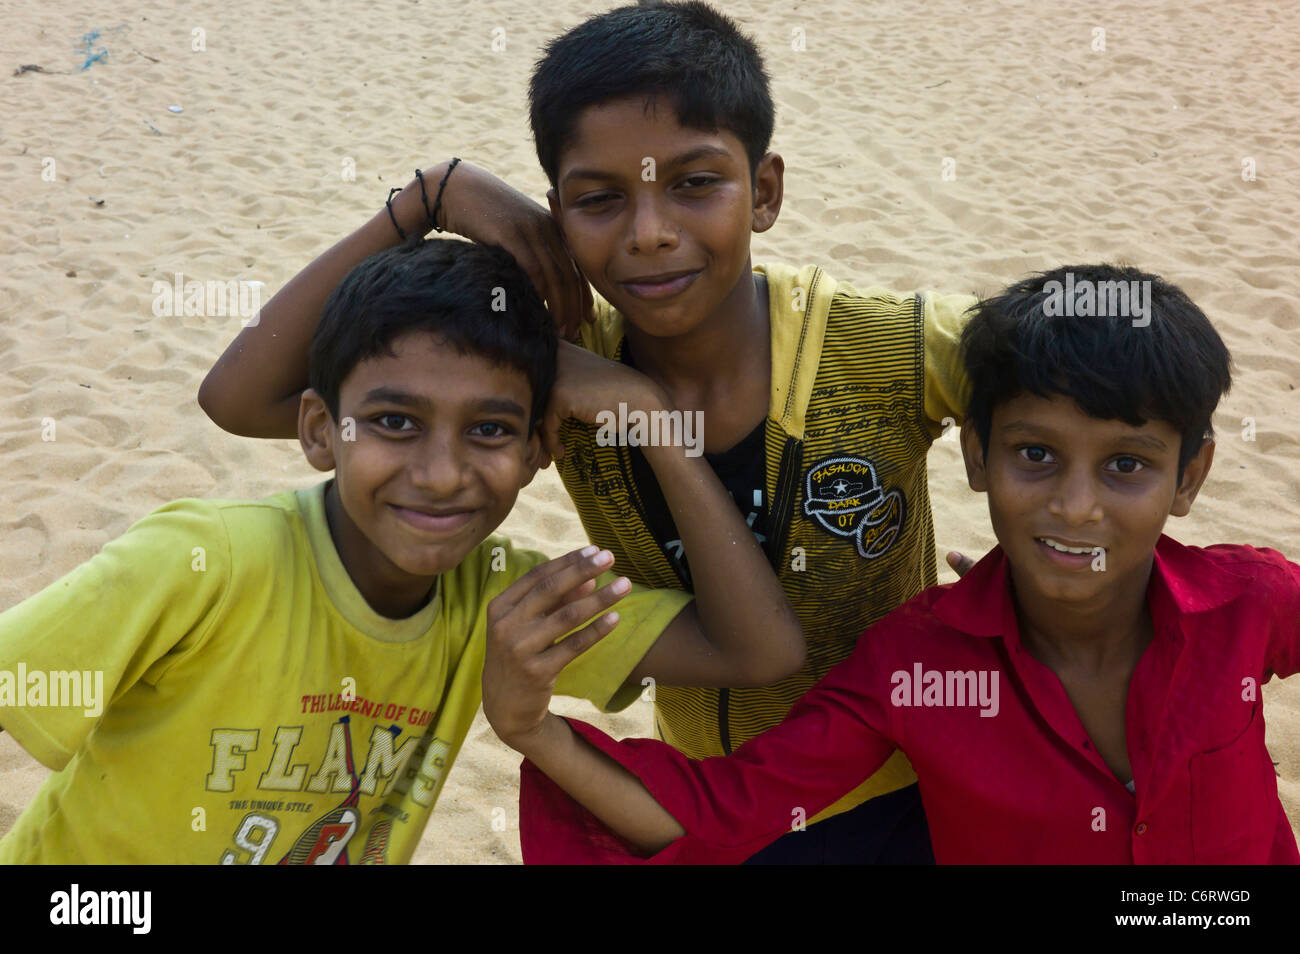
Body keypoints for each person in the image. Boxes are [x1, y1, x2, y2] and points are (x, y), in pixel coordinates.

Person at [198, 1, 977, 864]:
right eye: (600, 200)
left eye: (694, 183)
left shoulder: (898, 347)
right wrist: (435, 196)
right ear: (554, 220)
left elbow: (1118, 399)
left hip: (911, 789)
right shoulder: (555, 365)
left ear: (765, 192)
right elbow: (242, 397)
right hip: (698, 800)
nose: (650, 233)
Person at [0, 238, 803, 864]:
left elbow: (760, 649)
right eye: (394, 422)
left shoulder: (502, 601)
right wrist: (428, 198)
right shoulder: (202, 563)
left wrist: (657, 425)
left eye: (489, 430)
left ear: (535, 452)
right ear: (320, 431)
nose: (441, 474)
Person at [492, 263, 1300, 864]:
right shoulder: (914, 664)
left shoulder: (1250, 601)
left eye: (1127, 465)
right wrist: (534, 730)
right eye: (1036, 454)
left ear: (1190, 477)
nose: (1077, 506)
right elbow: (728, 809)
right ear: (977, 456)